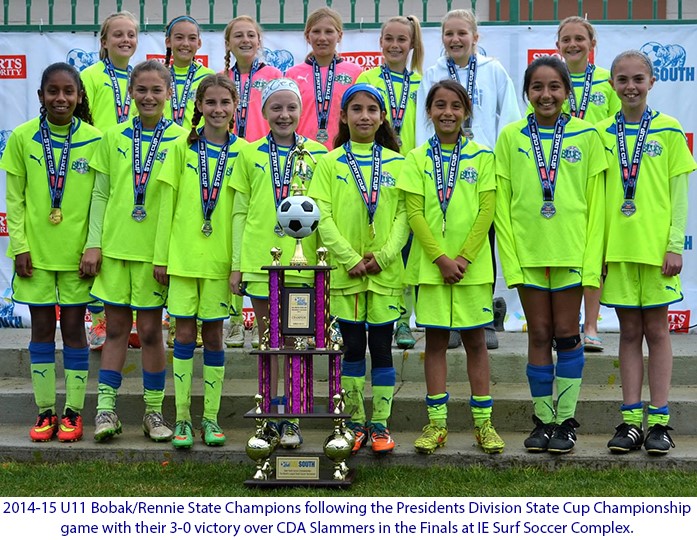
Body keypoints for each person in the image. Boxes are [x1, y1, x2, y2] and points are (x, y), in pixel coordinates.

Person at [494, 56, 606, 454]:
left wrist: (591, 265)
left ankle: (566, 421)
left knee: (567, 332)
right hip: (529, 256)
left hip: (571, 254)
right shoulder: (511, 137)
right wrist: (511, 263)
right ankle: (543, 420)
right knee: (539, 333)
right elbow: (502, 205)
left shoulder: (587, 135)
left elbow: (597, 205)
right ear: (527, 91)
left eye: (554, 86)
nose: (546, 94)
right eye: (538, 87)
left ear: (567, 91)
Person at [81, 60, 187, 442]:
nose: (148, 96)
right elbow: (100, 194)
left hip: (153, 255)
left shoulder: (182, 140)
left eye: (157, 90)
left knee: (151, 332)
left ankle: (153, 413)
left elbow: (181, 206)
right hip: (115, 249)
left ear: (169, 93)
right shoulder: (112, 137)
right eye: (141, 89)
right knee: (115, 331)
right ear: (130, 92)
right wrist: (94, 243)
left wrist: (167, 255)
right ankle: (106, 411)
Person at [599, 51, 696, 456]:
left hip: (657, 253)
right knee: (628, 333)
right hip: (619, 252)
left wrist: (674, 245)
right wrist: (599, 252)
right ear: (612, 85)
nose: (630, 87)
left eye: (638, 79)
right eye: (622, 80)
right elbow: (596, 198)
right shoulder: (601, 133)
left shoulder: (669, 129)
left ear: (652, 82)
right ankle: (629, 422)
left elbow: (679, 195)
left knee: (657, 332)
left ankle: (658, 423)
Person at [399, 80, 504, 455]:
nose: (447, 112)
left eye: (456, 106)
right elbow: (414, 214)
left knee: (476, 342)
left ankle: (483, 424)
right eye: (440, 105)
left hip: (472, 270)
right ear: (429, 112)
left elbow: (486, 211)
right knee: (436, 343)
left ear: (467, 112)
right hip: (431, 269)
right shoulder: (416, 159)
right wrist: (441, 259)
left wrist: (463, 258)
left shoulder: (483, 157)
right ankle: (437, 425)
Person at [0, 62, 101, 442]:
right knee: (42, 329)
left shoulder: (94, 139)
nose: (61, 98)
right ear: (40, 95)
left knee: (74, 329)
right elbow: (15, 199)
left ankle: (73, 412)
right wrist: (20, 246)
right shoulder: (22, 137)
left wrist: (93, 246)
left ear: (79, 96)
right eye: (53, 91)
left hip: (78, 257)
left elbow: (100, 200)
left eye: (68, 91)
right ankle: (45, 411)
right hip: (36, 255)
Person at [307, 83, 409, 455]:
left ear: (382, 118)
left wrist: (383, 257)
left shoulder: (399, 163)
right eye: (356, 109)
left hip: (384, 274)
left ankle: (380, 425)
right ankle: (352, 423)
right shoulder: (329, 163)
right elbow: (322, 215)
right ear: (344, 116)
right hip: (345, 273)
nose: (364, 116)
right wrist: (349, 258)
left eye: (371, 110)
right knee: (351, 349)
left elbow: (404, 217)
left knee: (381, 348)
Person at [230, 78, 328, 448]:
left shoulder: (318, 154)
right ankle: (269, 417)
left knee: (295, 343)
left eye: (290, 108)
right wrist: (237, 264)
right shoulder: (249, 154)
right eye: (276, 108)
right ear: (264, 112)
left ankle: (292, 419)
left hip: (303, 266)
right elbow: (240, 212)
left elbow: (326, 212)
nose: (284, 114)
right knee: (269, 342)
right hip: (261, 263)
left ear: (301, 111)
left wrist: (325, 263)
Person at [416, 8, 520, 350]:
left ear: (475, 37)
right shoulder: (433, 73)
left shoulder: (493, 70)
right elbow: (422, 122)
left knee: (482, 238)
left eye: (462, 33)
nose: (455, 39)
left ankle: (484, 314)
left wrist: (502, 162)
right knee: (443, 238)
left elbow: (509, 119)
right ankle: (448, 320)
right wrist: (424, 163)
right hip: (440, 167)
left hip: (480, 166)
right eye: (449, 33)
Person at [154, 74, 248, 449]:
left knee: (213, 336)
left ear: (235, 107)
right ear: (198, 106)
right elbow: (166, 207)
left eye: (225, 102)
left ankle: (210, 418)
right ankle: (181, 418)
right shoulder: (180, 148)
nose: (217, 109)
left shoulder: (245, 153)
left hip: (219, 263)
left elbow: (242, 215)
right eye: (210, 102)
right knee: (182, 335)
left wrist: (237, 264)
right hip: (182, 259)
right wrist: (161, 257)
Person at [357, 15, 424, 350]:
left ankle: (403, 319)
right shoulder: (367, 78)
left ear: (412, 44)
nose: (395, 45)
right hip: (373, 172)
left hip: (410, 173)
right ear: (380, 42)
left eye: (402, 39)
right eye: (389, 39)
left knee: (406, 248)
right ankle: (366, 313)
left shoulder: (422, 82)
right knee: (376, 241)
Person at [556, 15, 622, 353]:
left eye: (579, 38)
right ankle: (567, 323)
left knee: (595, 251)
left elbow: (619, 125)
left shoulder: (607, 82)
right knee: (568, 248)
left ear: (592, 44)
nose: (573, 45)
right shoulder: (553, 80)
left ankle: (592, 325)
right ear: (557, 45)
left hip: (600, 173)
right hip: (562, 176)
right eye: (566, 39)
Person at [80, 10, 140, 351]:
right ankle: (99, 321)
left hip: (131, 171)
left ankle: (129, 322)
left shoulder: (139, 78)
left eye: (131, 34)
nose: (125, 40)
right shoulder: (89, 76)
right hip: (94, 168)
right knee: (94, 240)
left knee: (123, 243)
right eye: (118, 34)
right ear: (104, 41)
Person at [222, 15, 282, 347]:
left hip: (262, 161)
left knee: (259, 236)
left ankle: (265, 321)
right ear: (228, 43)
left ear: (259, 41)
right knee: (233, 235)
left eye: (251, 35)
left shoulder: (274, 76)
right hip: (226, 159)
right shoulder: (221, 79)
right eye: (238, 36)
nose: (245, 40)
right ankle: (233, 319)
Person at [286, 7, 362, 150]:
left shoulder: (355, 73)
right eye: (316, 31)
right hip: (302, 151)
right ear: (307, 36)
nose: (322, 38)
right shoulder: (292, 74)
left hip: (343, 151)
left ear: (339, 36)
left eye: (329, 31)